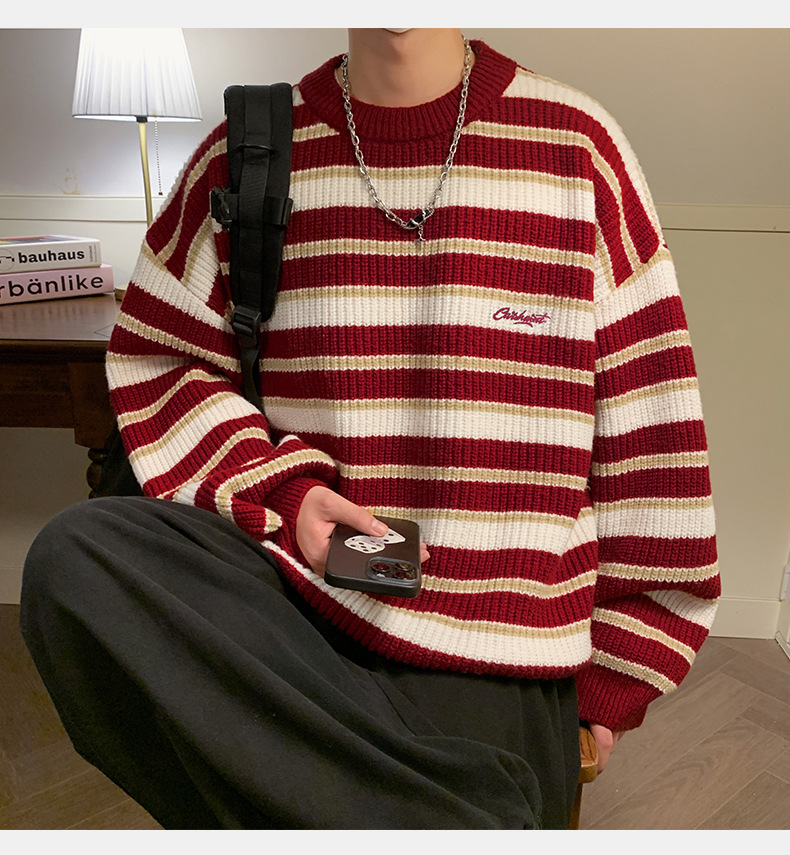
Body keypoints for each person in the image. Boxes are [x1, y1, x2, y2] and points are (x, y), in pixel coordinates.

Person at [20, 28, 720, 830]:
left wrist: (615, 679)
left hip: (499, 644)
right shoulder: (244, 155)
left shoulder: (578, 149)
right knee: (74, 558)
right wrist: (286, 493)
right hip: (296, 610)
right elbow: (163, 359)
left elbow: (656, 434)